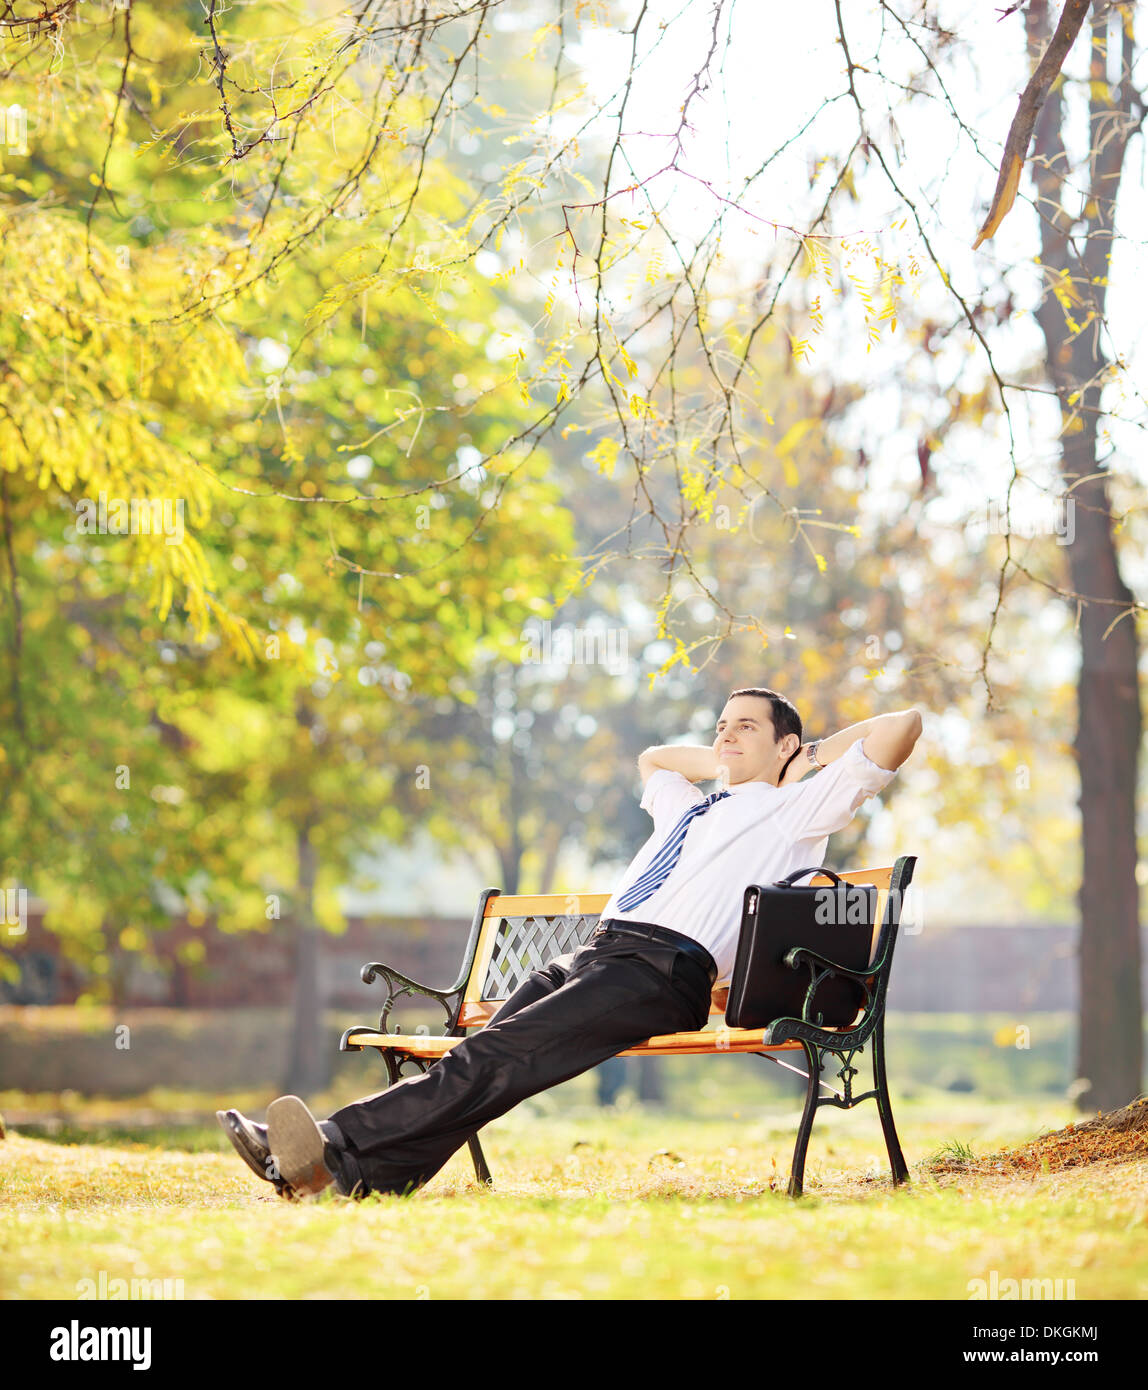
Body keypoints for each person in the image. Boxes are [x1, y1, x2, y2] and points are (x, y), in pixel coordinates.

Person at [218, 687, 923, 1199]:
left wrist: (808, 758)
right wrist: (723, 760)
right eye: (720, 726)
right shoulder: (695, 803)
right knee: (487, 1057)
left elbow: (902, 726)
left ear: (786, 743)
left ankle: (330, 1144)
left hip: (661, 972)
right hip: (592, 955)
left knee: (496, 1054)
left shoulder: (796, 811)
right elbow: (652, 761)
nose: (727, 736)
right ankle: (357, 1179)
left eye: (746, 727)